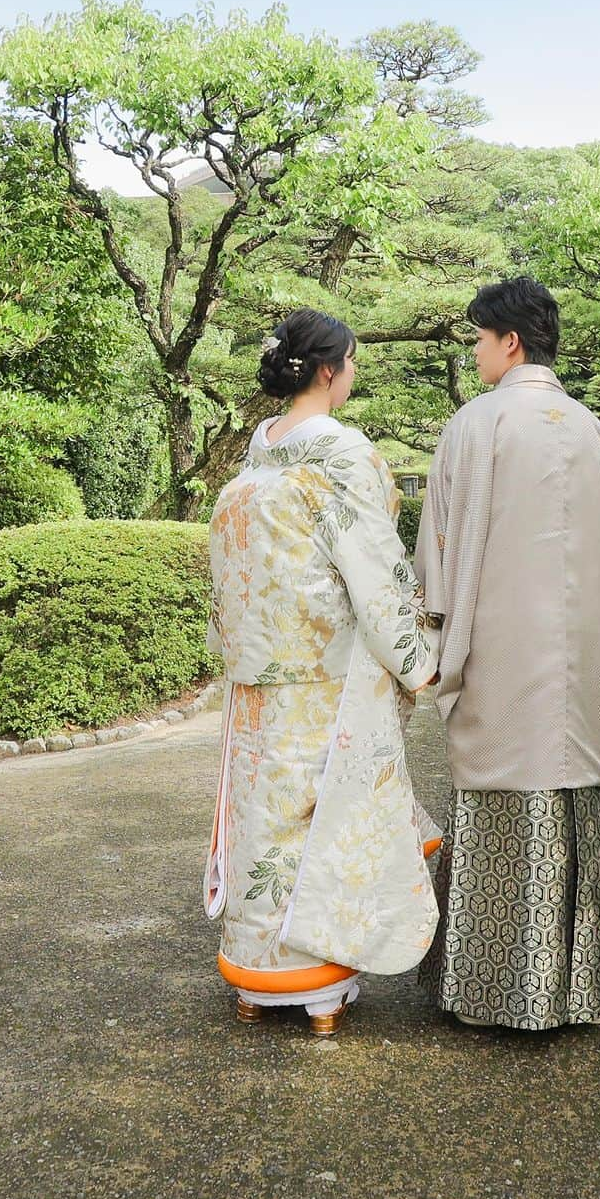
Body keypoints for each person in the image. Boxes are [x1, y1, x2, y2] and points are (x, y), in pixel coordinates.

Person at [414, 275, 600, 1031]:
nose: (476, 353)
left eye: (478, 339)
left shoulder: (476, 425)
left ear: (508, 341)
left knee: (504, 791)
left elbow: (440, 550)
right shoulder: (592, 430)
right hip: (586, 655)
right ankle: (582, 989)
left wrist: (429, 638)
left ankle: (489, 990)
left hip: (501, 648)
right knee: (578, 789)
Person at [203, 307, 442, 1037]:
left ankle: (254, 976)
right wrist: (415, 658)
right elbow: (372, 569)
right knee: (321, 822)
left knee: (261, 822)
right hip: (323, 678)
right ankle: (316, 984)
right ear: (330, 370)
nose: (355, 375)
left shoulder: (258, 454)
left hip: (257, 678)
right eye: (354, 363)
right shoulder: (345, 454)